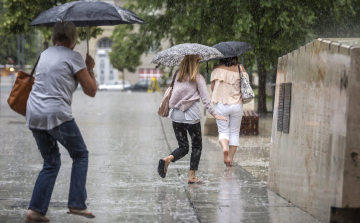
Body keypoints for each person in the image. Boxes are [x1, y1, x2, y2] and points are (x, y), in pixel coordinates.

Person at [25, 21, 97, 222]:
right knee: (80, 155)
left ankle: (35, 211)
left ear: (55, 36)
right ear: (73, 38)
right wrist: (89, 68)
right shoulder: (74, 57)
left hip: (34, 113)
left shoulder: (45, 54)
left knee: (51, 162)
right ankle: (76, 204)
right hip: (56, 114)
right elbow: (91, 91)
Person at [157, 55, 227, 184]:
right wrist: (215, 114)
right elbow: (205, 99)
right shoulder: (198, 78)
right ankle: (192, 176)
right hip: (191, 118)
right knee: (196, 146)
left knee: (183, 147)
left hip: (176, 117)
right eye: (198, 62)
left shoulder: (177, 74)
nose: (199, 64)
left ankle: (168, 159)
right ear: (195, 63)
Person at [210, 56, 250, 166]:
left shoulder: (216, 69)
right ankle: (230, 158)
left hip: (221, 104)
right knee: (234, 132)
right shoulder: (240, 68)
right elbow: (246, 84)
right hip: (236, 105)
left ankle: (224, 148)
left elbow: (213, 88)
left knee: (223, 131)